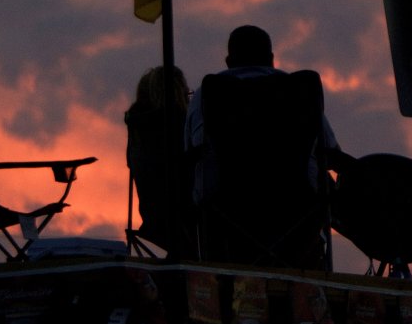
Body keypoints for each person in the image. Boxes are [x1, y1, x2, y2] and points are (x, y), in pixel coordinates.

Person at [184, 25, 342, 207]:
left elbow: (189, 152)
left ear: (228, 61)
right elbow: (331, 153)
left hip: (224, 213)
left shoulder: (206, 95)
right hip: (297, 211)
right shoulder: (298, 92)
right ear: (271, 59)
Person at [124, 65, 191, 254]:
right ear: (179, 93)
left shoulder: (137, 132)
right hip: (189, 230)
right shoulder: (180, 127)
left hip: (152, 230)